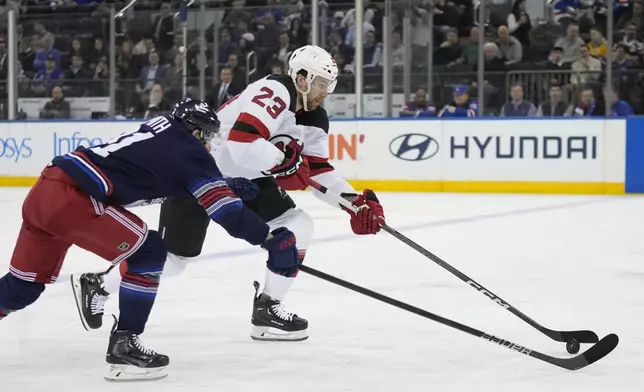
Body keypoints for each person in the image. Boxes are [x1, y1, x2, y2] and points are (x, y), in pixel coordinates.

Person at [75, 45, 387, 342]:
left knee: (299, 225)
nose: (324, 91)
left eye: (329, 85)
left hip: (249, 177)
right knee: (173, 260)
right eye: (320, 82)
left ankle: (268, 309)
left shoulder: (316, 119)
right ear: (301, 77)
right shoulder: (277, 91)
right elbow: (241, 143)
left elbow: (318, 170)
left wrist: (352, 202)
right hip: (200, 173)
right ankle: (99, 283)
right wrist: (283, 163)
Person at [0, 99, 299, 381]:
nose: (210, 145)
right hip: (75, 200)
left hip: (46, 190)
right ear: (195, 130)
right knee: (150, 252)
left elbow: (165, 173)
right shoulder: (190, 152)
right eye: (207, 136)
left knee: (22, 287)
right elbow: (227, 214)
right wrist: (270, 238)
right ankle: (124, 346)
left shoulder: (164, 128)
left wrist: (225, 184)